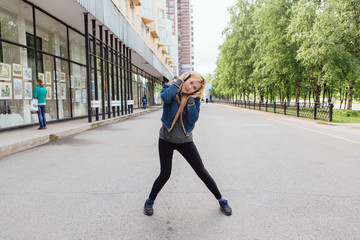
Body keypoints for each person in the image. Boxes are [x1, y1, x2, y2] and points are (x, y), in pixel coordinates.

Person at [143, 71, 232, 216]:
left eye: (194, 87)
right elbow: (165, 98)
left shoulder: (195, 100)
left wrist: (191, 101)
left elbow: (193, 120)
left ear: (197, 91)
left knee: (201, 171)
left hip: (185, 141)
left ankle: (221, 200)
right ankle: (150, 201)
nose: (190, 87)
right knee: (165, 174)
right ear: (186, 79)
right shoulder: (169, 89)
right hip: (166, 140)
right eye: (190, 82)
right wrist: (178, 82)